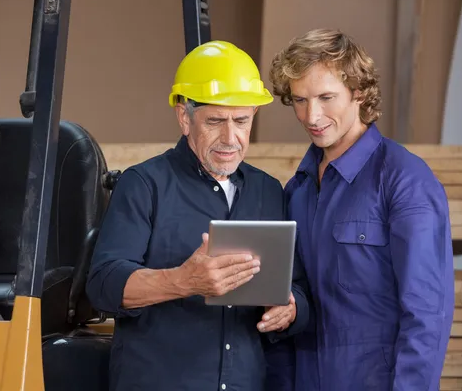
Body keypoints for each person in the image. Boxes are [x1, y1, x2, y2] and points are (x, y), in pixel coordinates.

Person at [86, 40, 311, 391]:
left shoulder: (268, 191)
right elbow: (102, 285)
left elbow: (296, 285)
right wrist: (183, 281)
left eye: (241, 120)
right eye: (216, 121)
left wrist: (292, 308)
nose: (230, 137)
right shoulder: (144, 184)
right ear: (184, 117)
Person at [266, 28, 454, 390]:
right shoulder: (299, 189)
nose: (312, 115)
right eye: (300, 100)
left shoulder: (404, 180)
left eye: (326, 97)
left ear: (358, 92)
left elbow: (427, 314)